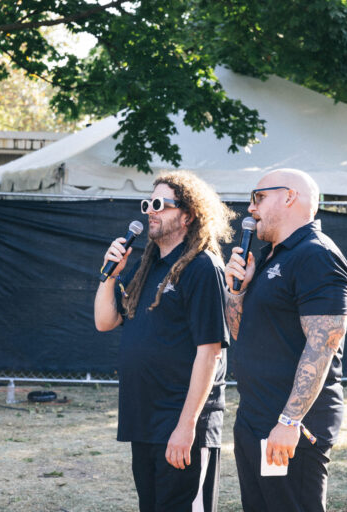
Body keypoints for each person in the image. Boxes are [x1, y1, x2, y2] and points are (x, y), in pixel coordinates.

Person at [94, 171, 234, 512]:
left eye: (160, 204)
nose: (150, 211)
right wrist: (110, 274)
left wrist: (186, 428)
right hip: (145, 422)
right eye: (147, 204)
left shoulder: (202, 267)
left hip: (182, 425)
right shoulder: (148, 266)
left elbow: (210, 352)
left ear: (187, 215)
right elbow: (104, 321)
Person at [224, 168, 347, 512]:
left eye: (259, 197)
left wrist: (289, 421)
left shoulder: (316, 255)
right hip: (255, 419)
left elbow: (324, 343)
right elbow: (240, 334)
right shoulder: (271, 257)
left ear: (290, 197)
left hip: (289, 424)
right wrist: (236, 291)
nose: (251, 209)